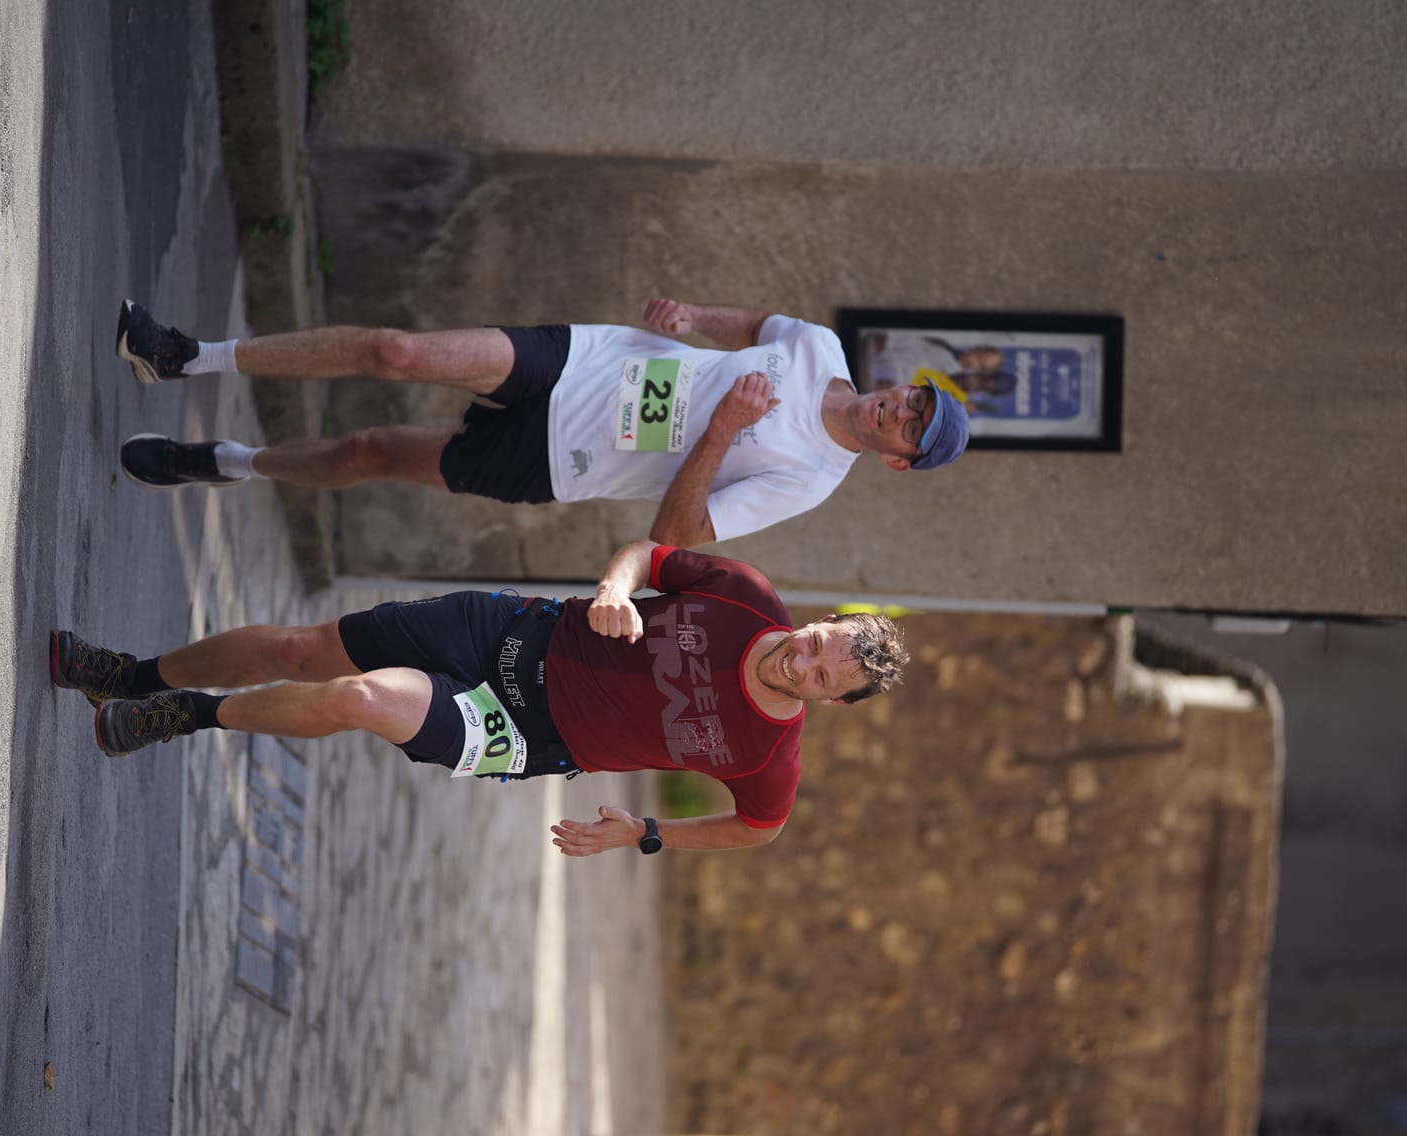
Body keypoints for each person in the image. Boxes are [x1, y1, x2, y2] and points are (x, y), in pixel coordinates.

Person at [49, 540, 910, 856]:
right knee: (299, 649)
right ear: (823, 619)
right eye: (823, 642)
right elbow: (651, 556)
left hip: (520, 732)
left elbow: (757, 827)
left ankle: (186, 717)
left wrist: (646, 834)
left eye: (828, 675)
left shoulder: (769, 757)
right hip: (505, 633)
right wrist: (614, 585)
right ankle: (130, 675)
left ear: (834, 700)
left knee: (356, 697)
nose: (807, 661)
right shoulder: (746, 594)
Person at [110, 296, 970, 546]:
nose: (901, 409)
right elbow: (758, 330)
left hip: (563, 460)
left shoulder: (811, 479)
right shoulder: (820, 349)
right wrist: (695, 312)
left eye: (909, 428)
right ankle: (190, 355)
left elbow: (681, 531)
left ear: (896, 460)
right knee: (395, 350)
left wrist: (718, 432)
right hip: (590, 360)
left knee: (368, 450)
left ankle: (230, 460)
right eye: (915, 398)